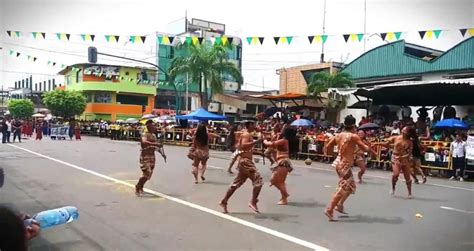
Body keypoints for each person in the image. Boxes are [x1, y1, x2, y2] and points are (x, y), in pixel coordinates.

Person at [323, 116, 376, 221]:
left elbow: (327, 147)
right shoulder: (353, 136)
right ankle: (330, 208)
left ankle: (339, 205)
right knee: (343, 187)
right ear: (353, 125)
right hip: (345, 165)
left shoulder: (338, 135)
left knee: (351, 186)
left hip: (340, 163)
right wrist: (370, 148)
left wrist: (335, 155)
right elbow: (364, 148)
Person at [219, 120, 264, 214]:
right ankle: (253, 201)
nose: (255, 126)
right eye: (253, 124)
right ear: (250, 125)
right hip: (245, 162)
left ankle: (224, 201)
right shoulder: (246, 134)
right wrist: (257, 142)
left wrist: (260, 153)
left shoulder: (246, 134)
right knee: (258, 180)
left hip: (245, 161)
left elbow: (246, 149)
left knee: (236, 183)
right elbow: (243, 146)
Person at [263, 126, 296, 205]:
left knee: (281, 182)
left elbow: (271, 144)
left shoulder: (284, 141)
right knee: (273, 180)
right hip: (280, 162)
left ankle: (284, 199)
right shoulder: (283, 140)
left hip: (283, 162)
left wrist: (264, 140)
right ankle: (285, 194)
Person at [379, 126, 414, 198]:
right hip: (395, 157)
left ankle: (409, 192)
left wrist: (403, 157)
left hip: (404, 159)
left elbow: (409, 153)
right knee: (396, 174)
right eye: (403, 129)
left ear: (408, 133)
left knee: (407, 177)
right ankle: (393, 187)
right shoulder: (396, 137)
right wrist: (382, 142)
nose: (402, 131)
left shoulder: (409, 142)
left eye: (404, 130)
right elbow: (387, 143)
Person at [135, 120, 166, 196]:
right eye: (153, 125)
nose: (155, 127)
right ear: (149, 126)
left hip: (152, 156)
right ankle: (138, 186)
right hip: (145, 156)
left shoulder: (153, 136)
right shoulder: (144, 134)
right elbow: (144, 142)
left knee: (149, 175)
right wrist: (156, 143)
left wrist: (162, 153)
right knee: (147, 172)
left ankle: (141, 186)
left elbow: (155, 147)